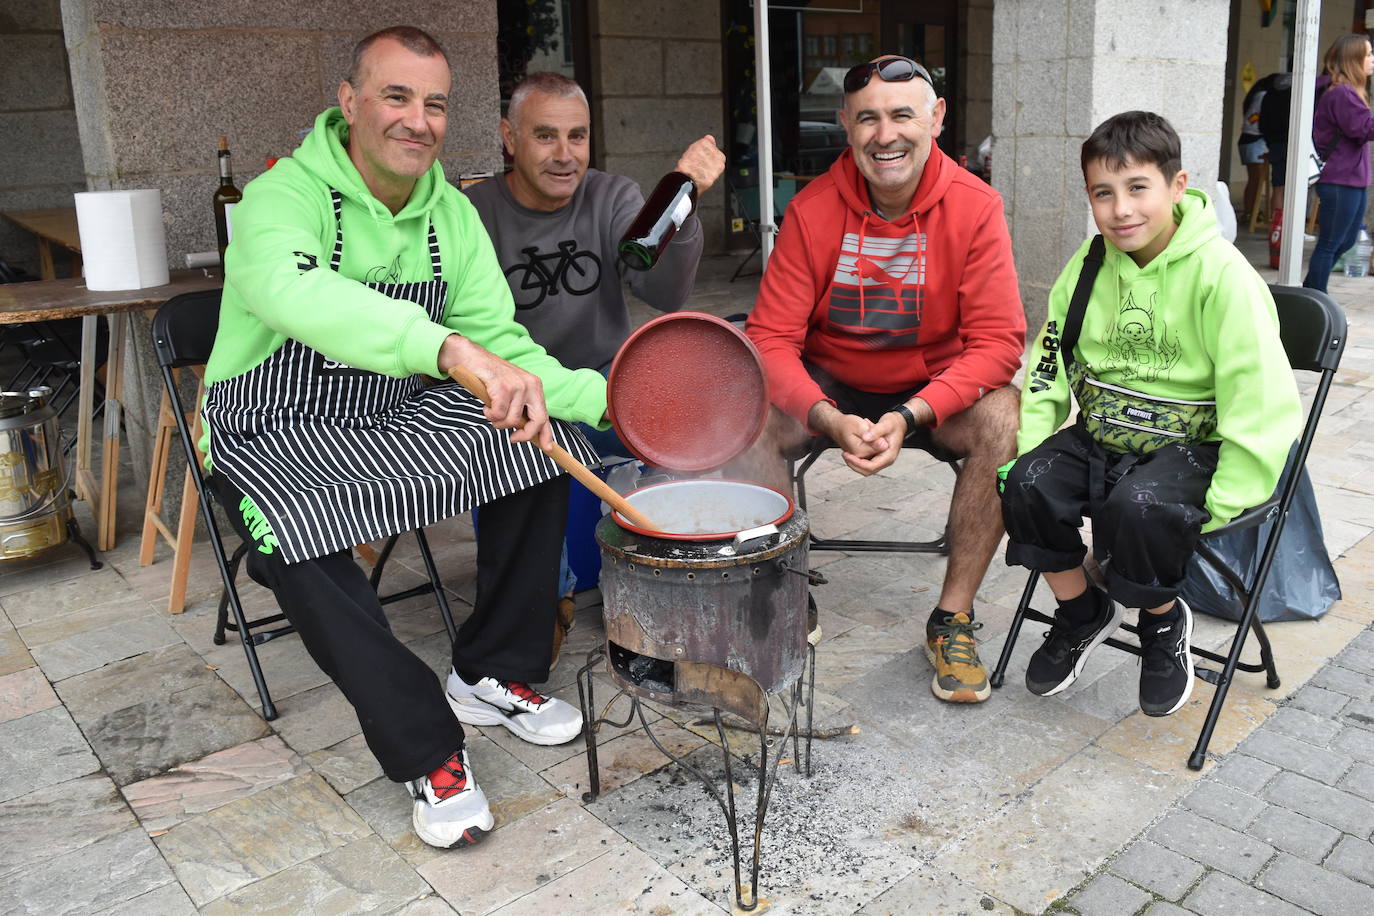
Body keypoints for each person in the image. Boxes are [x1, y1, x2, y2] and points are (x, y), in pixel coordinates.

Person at [203, 27, 609, 850]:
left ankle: (491, 668)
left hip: (391, 410)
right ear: (350, 102)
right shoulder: (281, 199)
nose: (417, 121)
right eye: (396, 96)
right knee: (293, 535)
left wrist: (615, 403)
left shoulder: (450, 216)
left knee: (534, 435)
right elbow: (291, 290)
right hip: (267, 422)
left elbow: (507, 350)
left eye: (434, 104)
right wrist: (448, 350)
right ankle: (429, 747)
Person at [731, 55, 1026, 705]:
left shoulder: (976, 207)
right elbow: (771, 339)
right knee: (743, 413)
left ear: (937, 119)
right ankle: (782, 596)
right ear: (845, 124)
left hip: (931, 390)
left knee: (1008, 417)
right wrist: (825, 416)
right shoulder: (812, 211)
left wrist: (915, 412)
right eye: (867, 117)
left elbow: (999, 343)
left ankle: (951, 618)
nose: (884, 134)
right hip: (833, 382)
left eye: (901, 115)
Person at [999, 111, 1301, 716]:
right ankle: (1083, 611)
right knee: (1026, 486)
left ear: (1177, 185)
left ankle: (1163, 622)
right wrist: (1026, 448)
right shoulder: (1087, 267)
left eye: (1138, 187)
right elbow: (1050, 363)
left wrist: (1228, 495)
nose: (1121, 210)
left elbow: (1260, 397)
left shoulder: (1224, 277)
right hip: (1104, 433)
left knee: (1138, 508)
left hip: (1194, 447)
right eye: (1102, 194)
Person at [463, 72, 725, 664]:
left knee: (685, 437)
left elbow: (665, 293)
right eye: (545, 136)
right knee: (515, 453)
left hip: (608, 387)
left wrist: (682, 200)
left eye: (577, 136)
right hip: (516, 399)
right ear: (509, 138)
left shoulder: (613, 196)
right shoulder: (472, 212)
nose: (564, 155)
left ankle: (665, 589)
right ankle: (546, 603)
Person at [1305, 33, 1374, 291]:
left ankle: (1310, 292)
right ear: (1353, 60)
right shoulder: (1342, 93)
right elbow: (1362, 129)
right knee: (1330, 244)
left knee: (1344, 242)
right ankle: (1316, 300)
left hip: (1352, 179)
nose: (1372, 60)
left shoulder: (1349, 92)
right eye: (1367, 54)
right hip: (1339, 179)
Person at [1237, 72, 1281, 220]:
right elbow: (1255, 121)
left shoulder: (1257, 94)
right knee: (1255, 179)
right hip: (1254, 139)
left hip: (1250, 139)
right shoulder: (1263, 96)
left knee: (1254, 179)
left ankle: (1250, 212)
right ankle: (1250, 213)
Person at [1258, 73, 1292, 219]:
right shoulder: (1298, 93)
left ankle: (1276, 227)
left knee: (1277, 187)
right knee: (1294, 189)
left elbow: (1262, 124)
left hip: (1275, 145)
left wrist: (1270, 141)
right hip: (1293, 144)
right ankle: (1293, 227)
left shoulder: (1269, 94)